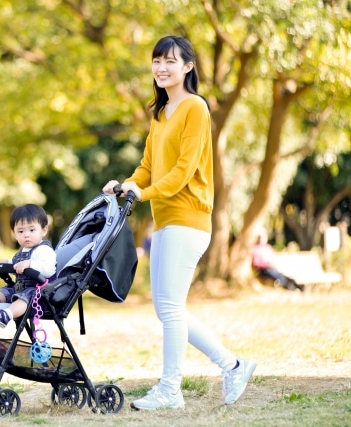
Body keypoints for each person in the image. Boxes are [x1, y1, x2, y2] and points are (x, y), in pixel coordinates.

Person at [102, 35, 256, 410]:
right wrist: (127, 185)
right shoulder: (160, 113)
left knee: (170, 308)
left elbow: (184, 171)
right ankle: (234, 366)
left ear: (188, 67)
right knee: (168, 309)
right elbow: (148, 167)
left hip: (188, 218)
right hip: (166, 220)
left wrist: (144, 193)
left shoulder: (195, 108)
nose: (161, 68)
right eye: (157, 61)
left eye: (170, 61)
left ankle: (171, 389)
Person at [0, 204, 57, 328]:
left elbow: (49, 269)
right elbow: (16, 264)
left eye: (31, 230)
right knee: (6, 291)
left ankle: (6, 314)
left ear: (44, 230)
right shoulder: (23, 251)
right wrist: (7, 263)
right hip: (19, 289)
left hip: (39, 296)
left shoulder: (44, 250)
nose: (26, 235)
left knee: (25, 297)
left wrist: (30, 263)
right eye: (21, 231)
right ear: (14, 233)